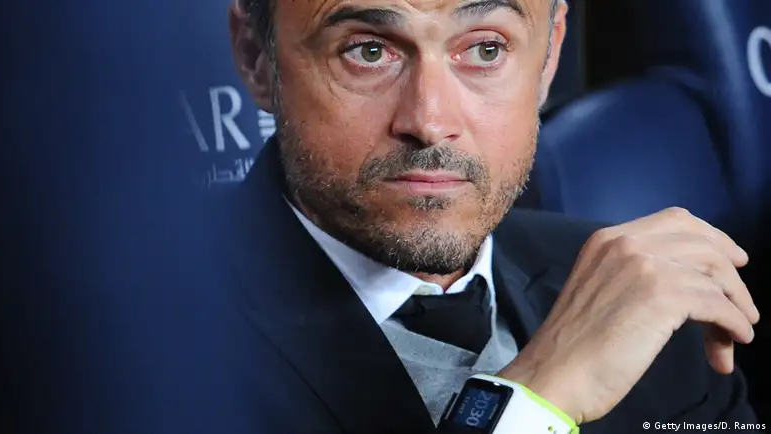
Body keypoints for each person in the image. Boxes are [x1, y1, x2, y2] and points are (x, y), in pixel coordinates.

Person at [210, 0, 765, 432]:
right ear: (256, 56)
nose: (430, 121)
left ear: (548, 57)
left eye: (485, 49)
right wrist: (532, 400)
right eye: (369, 51)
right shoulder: (163, 345)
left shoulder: (649, 306)